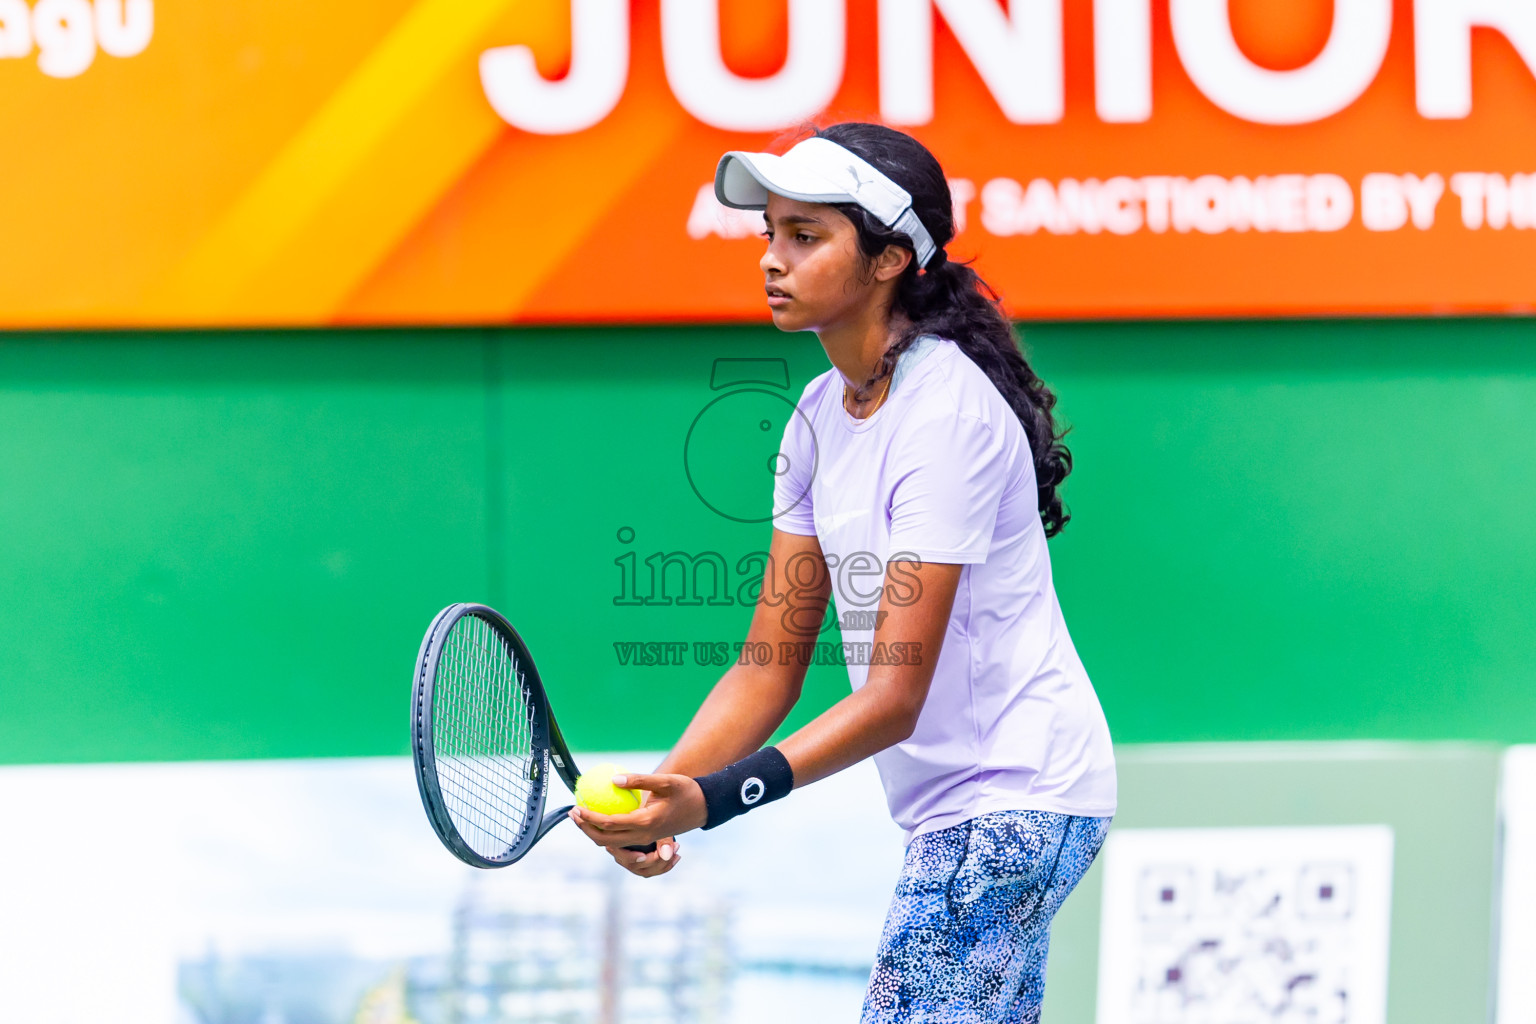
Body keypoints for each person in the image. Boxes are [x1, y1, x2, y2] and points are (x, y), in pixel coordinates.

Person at [569, 122, 1116, 1023]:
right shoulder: (817, 419)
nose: (772, 261)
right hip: (972, 812)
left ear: (890, 259)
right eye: (769, 235)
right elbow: (768, 665)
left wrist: (714, 799)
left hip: (1017, 799)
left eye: (805, 236)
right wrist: (664, 793)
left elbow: (895, 696)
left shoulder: (946, 419)